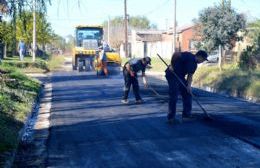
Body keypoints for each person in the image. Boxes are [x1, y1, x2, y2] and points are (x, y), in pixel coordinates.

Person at [165, 50, 208, 123]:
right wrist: (172, 65)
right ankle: (171, 118)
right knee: (174, 95)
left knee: (188, 94)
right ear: (199, 56)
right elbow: (176, 54)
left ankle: (186, 115)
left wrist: (189, 87)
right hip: (172, 74)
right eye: (203, 59)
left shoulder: (194, 65)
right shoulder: (188, 56)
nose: (203, 61)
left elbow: (190, 76)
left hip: (180, 77)